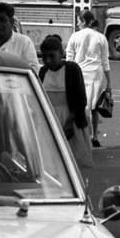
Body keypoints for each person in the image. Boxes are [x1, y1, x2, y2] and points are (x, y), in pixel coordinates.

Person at [38, 34, 93, 168]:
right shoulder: (43, 72)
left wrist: (70, 122)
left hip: (71, 121)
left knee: (72, 163)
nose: (48, 61)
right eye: (44, 57)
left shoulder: (72, 69)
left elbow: (81, 99)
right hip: (50, 121)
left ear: (61, 54)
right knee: (51, 163)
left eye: (52, 56)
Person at [66, 9, 111, 148]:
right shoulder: (100, 37)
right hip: (96, 74)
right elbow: (105, 62)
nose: (78, 24)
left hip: (78, 73)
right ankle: (94, 136)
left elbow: (69, 59)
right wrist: (109, 83)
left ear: (84, 22)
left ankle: (83, 135)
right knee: (94, 107)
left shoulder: (75, 36)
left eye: (79, 21)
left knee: (80, 106)